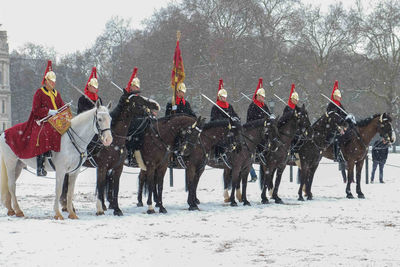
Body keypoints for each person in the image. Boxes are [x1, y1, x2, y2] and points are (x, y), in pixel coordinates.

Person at [4, 60, 65, 176]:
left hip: (56, 121)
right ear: (46, 81)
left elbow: (61, 106)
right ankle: (40, 166)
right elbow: (36, 109)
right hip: (41, 121)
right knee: (44, 134)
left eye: (54, 81)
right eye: (51, 81)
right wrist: (49, 112)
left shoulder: (56, 93)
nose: (53, 83)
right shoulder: (40, 92)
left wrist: (63, 111)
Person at [246, 78, 272, 182]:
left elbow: (269, 115)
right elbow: (250, 120)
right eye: (261, 96)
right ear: (257, 96)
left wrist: (271, 118)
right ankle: (257, 155)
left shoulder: (264, 106)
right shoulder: (252, 106)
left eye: (264, 96)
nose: (263, 98)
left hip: (264, 130)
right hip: (254, 130)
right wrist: (262, 121)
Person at [210, 79, 240, 161]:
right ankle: (219, 154)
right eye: (222, 97)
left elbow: (234, 114)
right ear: (219, 97)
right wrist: (224, 121)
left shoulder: (229, 106)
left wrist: (235, 118)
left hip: (230, 127)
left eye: (225, 97)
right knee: (221, 136)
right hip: (220, 127)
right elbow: (214, 118)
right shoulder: (216, 107)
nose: (224, 98)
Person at [125, 67, 148, 171]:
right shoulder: (127, 98)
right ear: (131, 87)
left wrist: (147, 111)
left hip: (139, 123)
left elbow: (142, 109)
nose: (136, 88)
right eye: (134, 86)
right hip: (130, 121)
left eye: (137, 87)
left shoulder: (139, 98)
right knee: (133, 137)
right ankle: (129, 156)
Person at [278, 84, 301, 161]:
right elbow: (284, 118)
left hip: (296, 128)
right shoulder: (287, 108)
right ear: (291, 99)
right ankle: (291, 152)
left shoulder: (297, 108)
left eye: (297, 100)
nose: (296, 101)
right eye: (295, 99)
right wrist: (291, 113)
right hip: (287, 128)